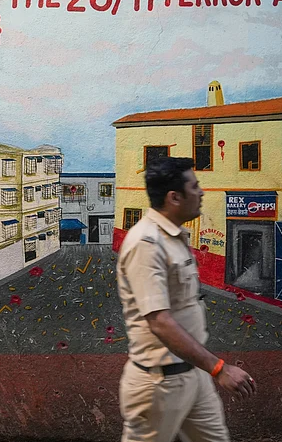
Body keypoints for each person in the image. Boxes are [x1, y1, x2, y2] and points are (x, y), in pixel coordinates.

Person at [117, 156, 256, 442]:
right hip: (158, 385)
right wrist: (220, 368)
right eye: (195, 186)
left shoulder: (174, 237)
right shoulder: (146, 243)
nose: (202, 192)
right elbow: (160, 322)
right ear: (174, 197)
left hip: (194, 376)